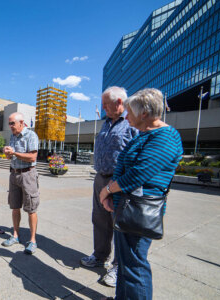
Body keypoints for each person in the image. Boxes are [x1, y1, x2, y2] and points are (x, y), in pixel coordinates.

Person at [99, 88, 183, 299]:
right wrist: (111, 195)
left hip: (139, 210)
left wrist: (107, 190)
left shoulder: (167, 136)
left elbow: (137, 175)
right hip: (125, 206)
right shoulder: (144, 135)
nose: (126, 117)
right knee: (125, 262)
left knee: (135, 265)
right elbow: (122, 168)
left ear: (144, 113)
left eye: (130, 112)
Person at [81, 86, 138, 288]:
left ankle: (117, 266)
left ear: (119, 103)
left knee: (119, 224)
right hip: (100, 178)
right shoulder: (105, 124)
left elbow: (136, 158)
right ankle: (100, 255)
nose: (103, 107)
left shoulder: (131, 125)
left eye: (106, 103)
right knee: (99, 219)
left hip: (119, 182)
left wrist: (119, 182)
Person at [2, 112, 39, 255]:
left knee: (31, 208)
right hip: (14, 173)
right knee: (15, 207)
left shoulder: (31, 135)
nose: (10, 126)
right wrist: (7, 152)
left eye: (12, 123)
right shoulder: (13, 136)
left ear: (21, 123)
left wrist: (15, 153)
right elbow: (10, 156)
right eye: (9, 123)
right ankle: (15, 236)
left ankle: (33, 240)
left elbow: (32, 157)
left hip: (28, 174)